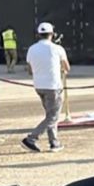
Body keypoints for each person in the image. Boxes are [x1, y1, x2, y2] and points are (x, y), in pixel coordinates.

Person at [21, 21, 69, 153]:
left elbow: (30, 70)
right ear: (52, 34)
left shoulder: (31, 49)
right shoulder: (57, 49)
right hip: (53, 86)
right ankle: (31, 138)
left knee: (49, 115)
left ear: (38, 34)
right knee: (53, 116)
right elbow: (67, 67)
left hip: (39, 86)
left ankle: (54, 142)